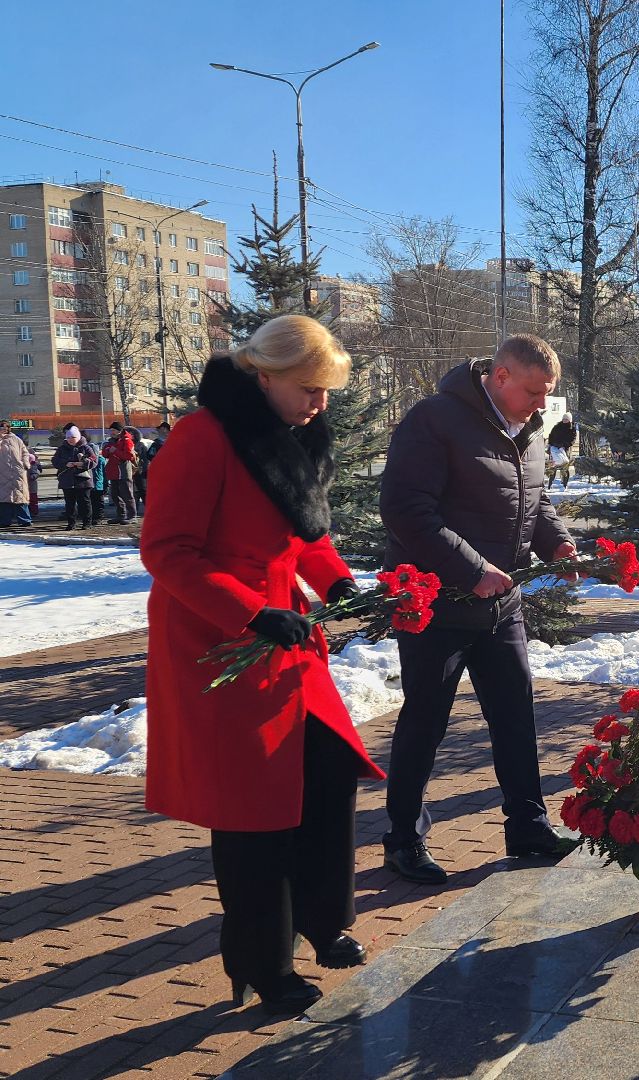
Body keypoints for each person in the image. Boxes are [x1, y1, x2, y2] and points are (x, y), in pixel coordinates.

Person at [140, 314, 383, 1017]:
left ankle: (321, 920)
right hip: (222, 646)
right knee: (252, 817)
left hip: (286, 641)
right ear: (264, 375)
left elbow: (304, 537)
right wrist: (250, 612)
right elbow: (168, 551)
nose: (321, 403)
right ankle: (262, 965)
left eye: (327, 390)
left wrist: (338, 583)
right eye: (309, 388)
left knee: (328, 775)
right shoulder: (203, 437)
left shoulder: (296, 433)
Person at [378, 334, 579, 884]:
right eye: (534, 391)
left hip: (501, 603)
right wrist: (471, 570)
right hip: (437, 604)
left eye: (548, 394)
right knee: (425, 722)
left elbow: (531, 504)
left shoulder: (530, 430)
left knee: (515, 716)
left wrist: (557, 543)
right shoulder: (435, 420)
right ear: (501, 377)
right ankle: (403, 841)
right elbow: (404, 508)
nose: (543, 404)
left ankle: (528, 827)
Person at [52, 426, 98, 530]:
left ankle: (87, 523)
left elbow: (94, 461)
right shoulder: (62, 448)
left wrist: (82, 463)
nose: (70, 440)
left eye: (72, 438)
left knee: (85, 503)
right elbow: (55, 461)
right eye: (68, 438)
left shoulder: (86, 447)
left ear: (78, 437)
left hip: (83, 480)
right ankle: (71, 523)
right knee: (69, 504)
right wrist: (65, 464)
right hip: (67, 480)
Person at [103, 422, 138, 524]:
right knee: (115, 495)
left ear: (119, 431)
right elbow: (105, 453)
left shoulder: (127, 441)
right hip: (113, 471)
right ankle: (121, 515)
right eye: (111, 431)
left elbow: (129, 456)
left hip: (123, 471)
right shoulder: (111, 441)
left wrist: (114, 451)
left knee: (127, 494)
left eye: (113, 430)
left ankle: (132, 515)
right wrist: (110, 450)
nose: (111, 433)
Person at [0, 425, 32, 528]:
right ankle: (5, 521)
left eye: (5, 428)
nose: (3, 430)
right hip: (2, 472)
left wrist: (25, 463)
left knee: (20, 495)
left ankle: (25, 520)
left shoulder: (16, 439)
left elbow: (25, 453)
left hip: (17, 472)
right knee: (4, 497)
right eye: (1, 428)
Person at [546, 412, 576, 489]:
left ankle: (564, 485)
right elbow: (551, 435)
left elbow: (572, 440)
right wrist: (550, 444)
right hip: (554, 448)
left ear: (569, 420)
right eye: (563, 419)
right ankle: (550, 484)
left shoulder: (572, 428)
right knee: (553, 467)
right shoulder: (557, 426)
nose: (564, 420)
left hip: (564, 449)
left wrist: (564, 445)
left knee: (565, 467)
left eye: (566, 419)